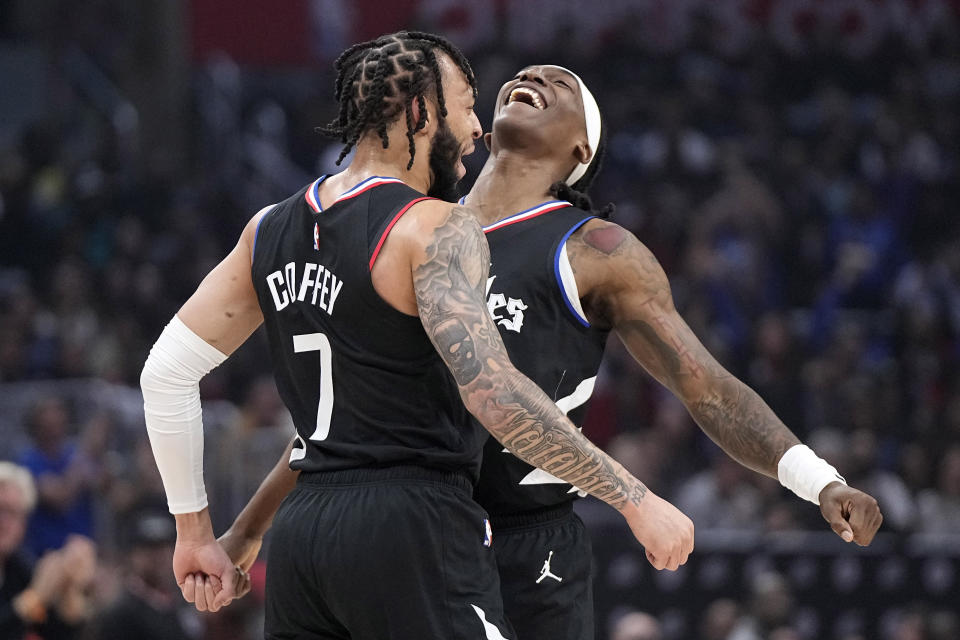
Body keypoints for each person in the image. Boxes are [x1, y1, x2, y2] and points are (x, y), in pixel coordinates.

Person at [216, 63, 884, 640]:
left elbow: (704, 385)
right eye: (524, 74)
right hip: (411, 528)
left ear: (580, 147)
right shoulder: (409, 227)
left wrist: (817, 479)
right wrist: (246, 532)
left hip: (525, 545)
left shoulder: (594, 251)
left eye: (560, 83)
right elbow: (345, 414)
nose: (533, 77)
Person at [140, 32, 694, 640]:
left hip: (303, 545)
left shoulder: (268, 229)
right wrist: (634, 498)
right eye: (466, 104)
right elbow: (496, 395)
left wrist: (203, 534)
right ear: (420, 112)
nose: (479, 129)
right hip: (413, 526)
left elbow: (165, 375)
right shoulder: (434, 227)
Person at [0, 461, 96, 640]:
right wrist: (34, 599)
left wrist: (69, 590)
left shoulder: (20, 567)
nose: (4, 522)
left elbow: (54, 632)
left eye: (12, 513)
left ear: (23, 523)